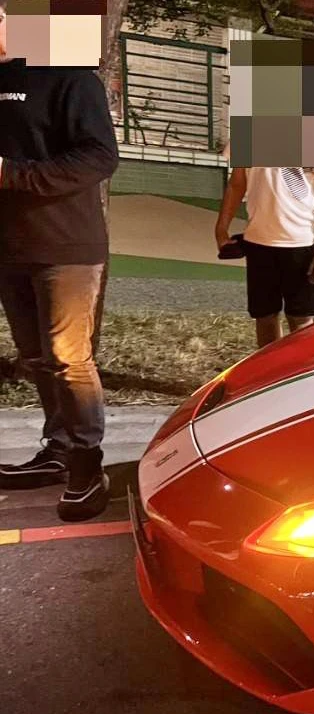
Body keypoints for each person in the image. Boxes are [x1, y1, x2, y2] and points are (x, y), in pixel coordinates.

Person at [0, 0, 121, 521]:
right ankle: (59, 449)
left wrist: (10, 174)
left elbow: (100, 156)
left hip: (66, 246)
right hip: (9, 249)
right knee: (36, 358)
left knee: (69, 358)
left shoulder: (72, 78)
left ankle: (88, 468)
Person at [215, 166, 314, 347]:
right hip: (257, 241)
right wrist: (221, 229)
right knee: (264, 316)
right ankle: (270, 363)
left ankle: (301, 364)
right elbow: (236, 184)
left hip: (301, 243)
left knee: (301, 319)